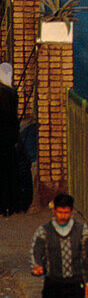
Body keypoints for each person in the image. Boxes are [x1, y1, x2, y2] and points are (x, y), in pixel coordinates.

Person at [30, 192, 88, 298]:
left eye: (66, 213)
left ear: (71, 211)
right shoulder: (44, 231)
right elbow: (36, 251)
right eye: (60, 212)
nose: (63, 216)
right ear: (54, 211)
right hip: (53, 284)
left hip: (75, 283)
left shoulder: (82, 230)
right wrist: (37, 265)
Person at [0, 63, 21, 216]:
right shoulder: (12, 93)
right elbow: (13, 118)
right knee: (9, 172)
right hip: (8, 139)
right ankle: (10, 206)